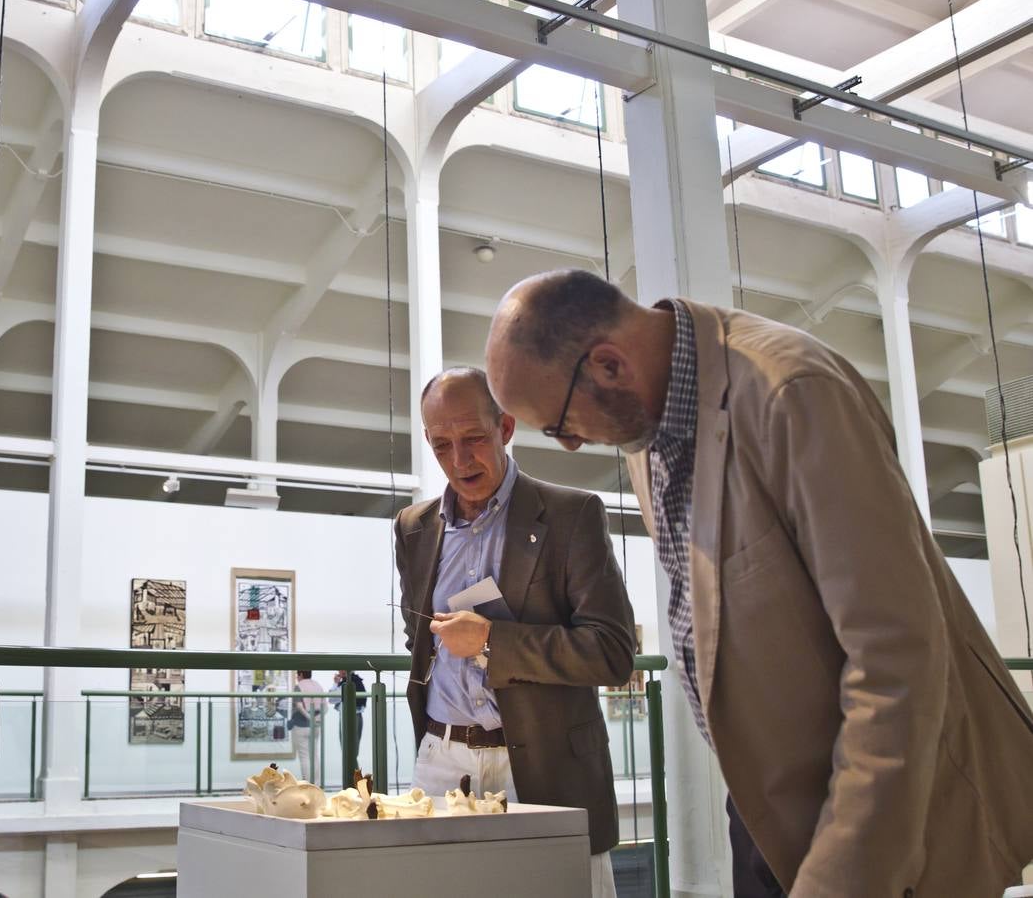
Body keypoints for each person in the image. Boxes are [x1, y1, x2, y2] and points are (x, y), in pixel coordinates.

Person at [485, 268, 1033, 896]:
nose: (574, 444)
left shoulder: (791, 393)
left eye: (559, 425)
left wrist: (844, 877)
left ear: (609, 365)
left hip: (888, 813)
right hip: (769, 806)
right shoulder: (644, 427)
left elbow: (897, 656)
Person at [395, 366, 634, 898]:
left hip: (543, 765)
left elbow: (613, 652)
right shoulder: (413, 527)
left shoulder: (572, 516)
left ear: (505, 427)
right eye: (441, 445)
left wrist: (490, 643)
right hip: (441, 761)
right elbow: (420, 639)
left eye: (474, 438)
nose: (459, 460)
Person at [287, 671, 324, 783]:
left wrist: (309, 717)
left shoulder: (299, 687)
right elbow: (325, 706)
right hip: (316, 727)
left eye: (298, 675)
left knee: (304, 757)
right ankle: (316, 785)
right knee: (315, 756)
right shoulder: (318, 686)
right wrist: (316, 719)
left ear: (301, 674)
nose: (297, 677)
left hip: (301, 725)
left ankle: (307, 784)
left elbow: (298, 706)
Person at [329, 670, 367, 775]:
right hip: (357, 716)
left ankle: (355, 780)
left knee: (348, 752)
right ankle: (356, 780)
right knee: (352, 752)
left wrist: (335, 683)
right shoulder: (357, 681)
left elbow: (332, 698)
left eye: (340, 669)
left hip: (349, 717)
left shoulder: (346, 684)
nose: (338, 672)